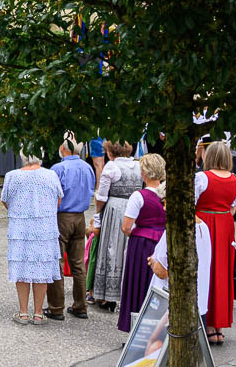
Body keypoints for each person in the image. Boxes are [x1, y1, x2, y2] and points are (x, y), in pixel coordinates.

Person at [1, 152, 62, 326]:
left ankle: (23, 312)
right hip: (44, 227)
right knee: (41, 268)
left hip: (20, 227)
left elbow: (5, 200)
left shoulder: (12, 176)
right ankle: (38, 313)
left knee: (21, 265)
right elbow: (58, 199)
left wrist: (19, 210)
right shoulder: (51, 175)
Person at [195, 140, 236, 344]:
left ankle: (207, 322)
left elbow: (191, 204)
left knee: (205, 270)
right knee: (222, 272)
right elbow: (232, 209)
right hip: (225, 225)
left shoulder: (201, 178)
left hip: (203, 224)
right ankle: (218, 326)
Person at [46, 136, 94, 320]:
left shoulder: (58, 168)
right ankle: (80, 306)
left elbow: (52, 193)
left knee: (57, 261)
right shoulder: (87, 167)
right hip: (80, 216)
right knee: (78, 263)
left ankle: (56, 307)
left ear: (63, 148)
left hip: (62, 216)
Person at [117, 154, 166, 333]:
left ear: (144, 173)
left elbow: (126, 227)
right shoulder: (167, 195)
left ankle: (136, 329)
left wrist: (138, 233)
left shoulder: (139, 196)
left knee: (137, 283)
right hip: (163, 240)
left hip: (142, 244)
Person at [89, 140, 139, 311]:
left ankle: (107, 296)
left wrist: (98, 215)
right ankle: (127, 293)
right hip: (133, 208)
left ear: (110, 152)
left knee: (110, 248)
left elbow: (102, 196)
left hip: (114, 209)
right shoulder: (138, 165)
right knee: (128, 250)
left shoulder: (111, 167)